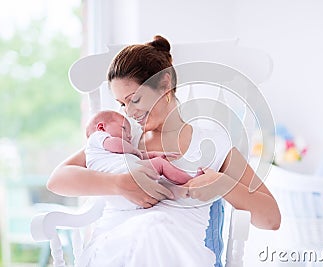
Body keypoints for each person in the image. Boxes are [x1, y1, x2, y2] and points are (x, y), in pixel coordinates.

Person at [47, 35, 281, 267]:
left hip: (176, 253)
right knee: (148, 229)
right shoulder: (122, 140)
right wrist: (119, 184)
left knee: (155, 228)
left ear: (165, 84)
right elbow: (57, 180)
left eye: (135, 99)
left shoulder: (212, 143)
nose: (129, 112)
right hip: (115, 249)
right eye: (122, 104)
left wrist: (222, 183)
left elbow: (271, 218)